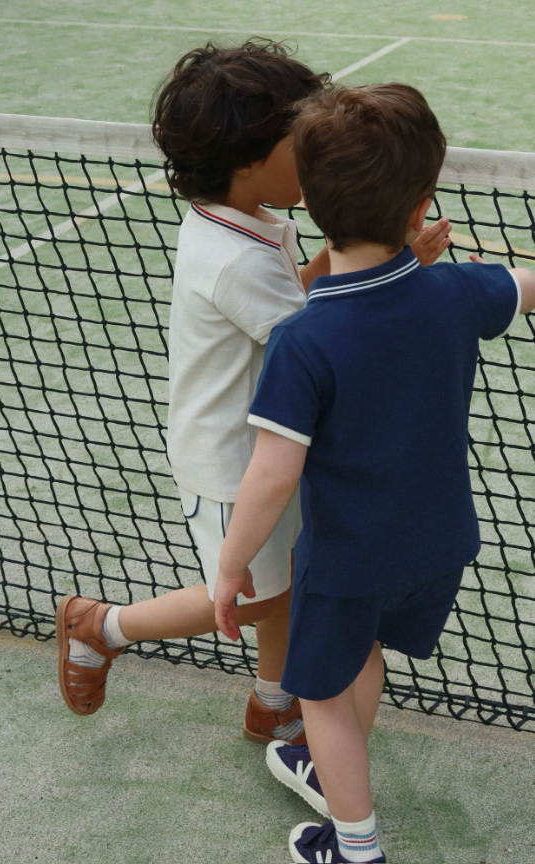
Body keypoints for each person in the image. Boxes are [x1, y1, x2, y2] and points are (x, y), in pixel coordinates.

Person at [55, 43, 452, 748]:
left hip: (273, 445)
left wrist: (363, 252)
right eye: (298, 145)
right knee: (255, 595)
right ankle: (101, 626)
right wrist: (399, 268)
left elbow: (297, 304)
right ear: (248, 160)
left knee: (290, 582)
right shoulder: (233, 257)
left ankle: (274, 701)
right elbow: (324, 341)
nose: (311, 157)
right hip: (234, 460)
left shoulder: (251, 222)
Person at [214, 82, 535, 863]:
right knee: (363, 656)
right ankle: (326, 771)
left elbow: (270, 476)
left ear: (314, 206)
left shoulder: (307, 338)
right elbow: (525, 284)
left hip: (349, 561)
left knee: (317, 691)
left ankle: (354, 848)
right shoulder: (458, 291)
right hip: (441, 548)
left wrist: (228, 570)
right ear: (423, 203)